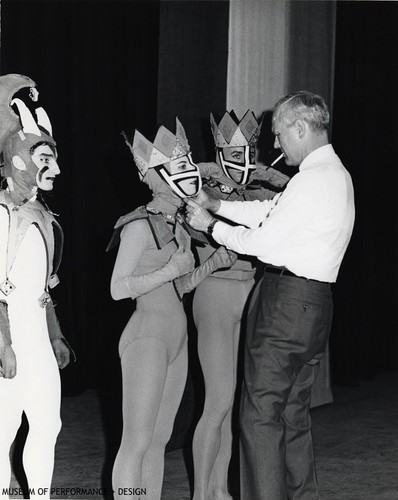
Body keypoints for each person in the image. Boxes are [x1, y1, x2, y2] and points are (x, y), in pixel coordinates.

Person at [185, 91, 355, 500]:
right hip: (315, 306)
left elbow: (265, 243)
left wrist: (210, 225)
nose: (275, 145)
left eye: (279, 135)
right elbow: (269, 210)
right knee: (293, 416)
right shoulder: (335, 175)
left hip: (285, 304)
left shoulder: (312, 179)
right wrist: (218, 203)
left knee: (259, 417)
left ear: (301, 128)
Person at [108, 118, 234, 500]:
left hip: (175, 335)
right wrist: (169, 269)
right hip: (147, 336)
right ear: (158, 175)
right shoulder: (138, 224)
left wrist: (210, 265)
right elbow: (117, 290)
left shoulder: (177, 224)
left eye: (188, 162)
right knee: (137, 440)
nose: (191, 171)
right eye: (180, 166)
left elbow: (177, 286)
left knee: (160, 439)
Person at [189, 110, 287, 500]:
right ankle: (201, 493)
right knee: (218, 400)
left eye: (246, 153)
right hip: (214, 291)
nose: (241, 161)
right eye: (231, 153)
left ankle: (219, 489)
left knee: (234, 402)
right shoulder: (203, 186)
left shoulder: (262, 191)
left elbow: (284, 192)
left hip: (249, 292)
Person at [0, 74, 73, 498]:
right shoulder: (2, 216)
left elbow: (44, 289)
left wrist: (56, 334)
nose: (56, 169)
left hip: (37, 340)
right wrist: (4, 343)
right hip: (8, 339)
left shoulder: (45, 217)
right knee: (4, 428)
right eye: (44, 158)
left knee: (48, 423)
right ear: (18, 160)